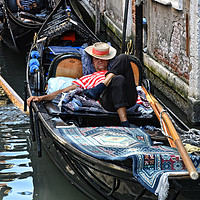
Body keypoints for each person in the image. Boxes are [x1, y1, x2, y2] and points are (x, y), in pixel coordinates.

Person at [27, 42, 138, 127]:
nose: (100, 61)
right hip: (110, 101)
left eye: (103, 59)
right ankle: (125, 123)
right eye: (97, 59)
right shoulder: (87, 78)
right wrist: (41, 98)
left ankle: (102, 85)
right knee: (118, 79)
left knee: (124, 57)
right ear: (92, 60)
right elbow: (63, 91)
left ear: (108, 61)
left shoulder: (118, 68)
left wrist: (106, 80)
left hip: (129, 98)